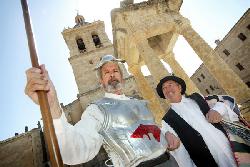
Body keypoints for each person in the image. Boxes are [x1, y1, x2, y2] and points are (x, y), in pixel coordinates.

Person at [25, 55, 180, 167]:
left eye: (115, 70)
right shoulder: (97, 110)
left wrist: (165, 135)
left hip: (171, 161)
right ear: (101, 82)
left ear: (122, 76)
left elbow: (150, 131)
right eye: (106, 72)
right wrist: (52, 105)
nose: (112, 74)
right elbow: (74, 150)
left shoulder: (140, 103)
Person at [156, 75, 238, 167]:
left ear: (179, 87)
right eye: (164, 88)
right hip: (208, 161)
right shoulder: (167, 120)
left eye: (170, 85)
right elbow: (180, 152)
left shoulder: (198, 97)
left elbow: (226, 102)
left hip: (232, 149)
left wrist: (217, 110)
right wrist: (165, 133)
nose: (167, 90)